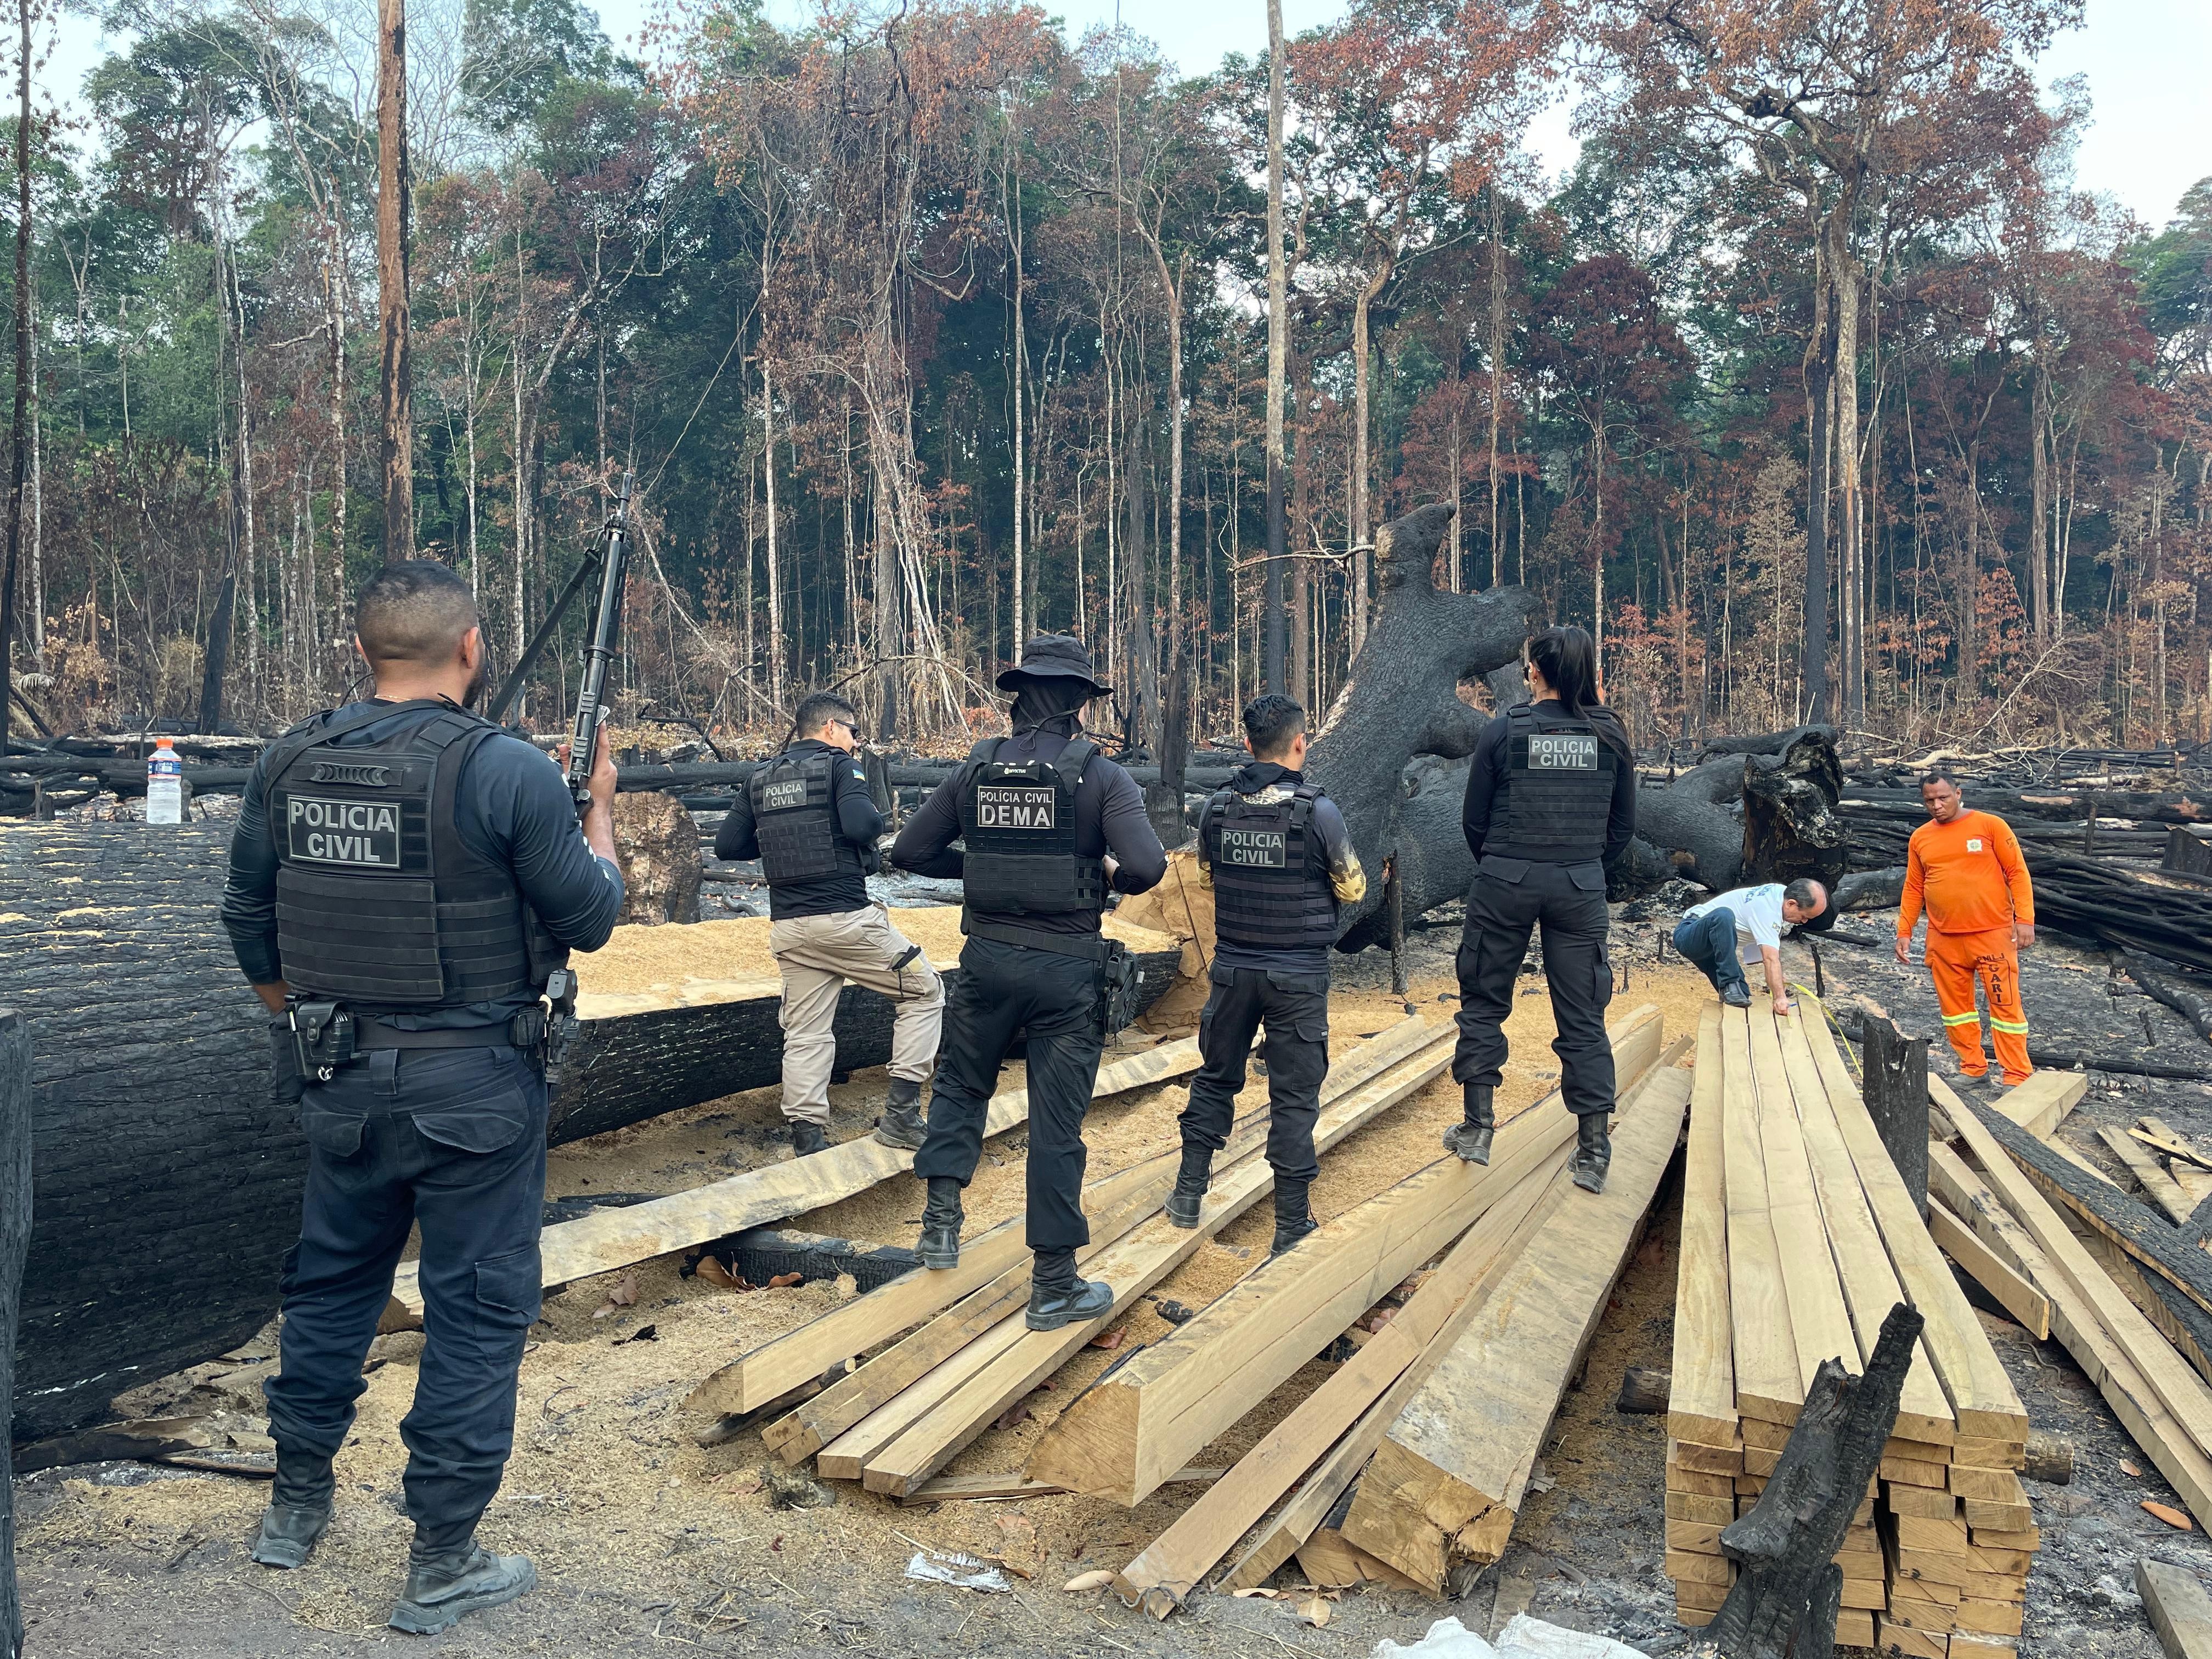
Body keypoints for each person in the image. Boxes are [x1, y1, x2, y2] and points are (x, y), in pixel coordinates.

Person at [219, 561, 625, 1634]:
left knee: (330, 1291)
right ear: (472, 649)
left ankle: (293, 1511)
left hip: (341, 1080)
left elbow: (245, 916)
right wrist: (602, 821)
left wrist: (294, 1025)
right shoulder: (506, 773)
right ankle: (442, 1558)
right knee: (477, 1314)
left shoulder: (289, 761)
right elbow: (590, 921)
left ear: (363, 651)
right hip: (478, 1089)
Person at [890, 635, 1167, 1329]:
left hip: (985, 959)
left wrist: (986, 868)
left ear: (1019, 698)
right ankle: (1053, 1284)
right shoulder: (1101, 777)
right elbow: (1148, 867)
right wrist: (1105, 878)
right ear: (1079, 703)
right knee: (1055, 1124)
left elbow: (907, 851)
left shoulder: (975, 769)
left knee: (960, 1085)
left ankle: (941, 1224)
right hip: (1066, 969)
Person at [1171, 694, 1367, 1256]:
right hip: (1298, 976)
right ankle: (1291, 1225)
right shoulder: (1318, 812)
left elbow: (1209, 881)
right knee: (1294, 1096)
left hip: (1233, 969)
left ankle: (1187, 1194)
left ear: (1249, 742)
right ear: (1299, 743)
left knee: (1216, 1077)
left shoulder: (1216, 809)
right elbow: (1353, 890)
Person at [716, 691, 943, 1156]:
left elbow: (728, 846)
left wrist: (785, 839)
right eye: (854, 732)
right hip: (845, 920)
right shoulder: (840, 766)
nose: (857, 742)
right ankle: (901, 1117)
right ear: (830, 729)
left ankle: (808, 1137)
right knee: (925, 992)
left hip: (790, 929)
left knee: (806, 1032)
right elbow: (863, 827)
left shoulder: (759, 777)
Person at [1451, 626, 1637, 1194]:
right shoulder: (1610, 736)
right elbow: (1623, 828)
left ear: (1534, 672)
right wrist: (1579, 862)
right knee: (1583, 1018)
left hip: (1505, 878)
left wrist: (1506, 862)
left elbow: (1473, 820)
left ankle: (1479, 1128)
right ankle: (1593, 1151)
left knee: (1484, 1003)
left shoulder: (1504, 730)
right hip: (1579, 886)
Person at [1895, 770, 2036, 1090]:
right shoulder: (1921, 838)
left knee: (2005, 1005)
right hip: (1944, 938)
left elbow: (2017, 872)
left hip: (1992, 935)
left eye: (1943, 798)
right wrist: (1905, 930)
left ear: (1959, 793)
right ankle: (1973, 1068)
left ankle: (2017, 1075)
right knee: (1956, 1011)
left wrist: (2025, 919)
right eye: (1929, 800)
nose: (1937, 805)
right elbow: (1914, 886)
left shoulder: (1990, 826)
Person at [1674, 879, 1830, 1014]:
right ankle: (1729, 984)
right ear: (1792, 904)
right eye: (1804, 916)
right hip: (1689, 935)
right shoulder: (1767, 909)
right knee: (1724, 915)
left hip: (1716, 948)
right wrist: (1780, 998)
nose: (1804, 922)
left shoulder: (1781, 894)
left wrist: (1777, 980)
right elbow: (1770, 959)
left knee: (1742, 999)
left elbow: (1765, 950)